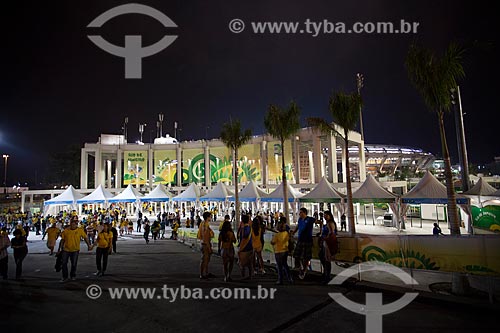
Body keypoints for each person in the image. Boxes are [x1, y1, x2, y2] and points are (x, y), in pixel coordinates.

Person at [57, 217, 92, 282]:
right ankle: (65, 277)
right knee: (64, 263)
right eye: (71, 224)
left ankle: (72, 275)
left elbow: (85, 238)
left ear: (76, 225)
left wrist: (89, 245)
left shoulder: (80, 230)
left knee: (74, 264)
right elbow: (62, 240)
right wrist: (59, 249)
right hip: (66, 250)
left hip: (75, 250)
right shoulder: (66, 231)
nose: (73, 226)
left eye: (74, 224)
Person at [292, 207, 321, 280]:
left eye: (301, 212)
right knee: (297, 255)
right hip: (300, 239)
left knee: (306, 257)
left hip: (307, 240)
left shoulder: (310, 219)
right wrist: (294, 232)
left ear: (304, 213)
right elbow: (298, 226)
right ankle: (301, 268)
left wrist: (321, 231)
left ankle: (304, 270)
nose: (299, 214)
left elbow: (319, 222)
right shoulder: (300, 220)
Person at [271, 220, 292, 285]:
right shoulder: (286, 233)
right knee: (285, 265)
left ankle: (280, 280)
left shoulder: (277, 235)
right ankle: (290, 278)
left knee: (279, 266)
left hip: (278, 251)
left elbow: (273, 242)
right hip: (285, 251)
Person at [319, 211, 338, 284]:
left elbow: (331, 233)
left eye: (326, 215)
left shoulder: (330, 223)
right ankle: (326, 273)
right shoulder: (327, 223)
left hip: (328, 243)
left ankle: (327, 276)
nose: (325, 216)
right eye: (324, 215)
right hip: (326, 242)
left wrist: (325, 238)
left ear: (330, 216)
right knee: (322, 256)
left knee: (326, 259)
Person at [197, 212, 215, 279]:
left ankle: (206, 273)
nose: (211, 217)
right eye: (210, 216)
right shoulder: (205, 225)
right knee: (204, 260)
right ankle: (202, 274)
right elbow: (205, 237)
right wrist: (209, 247)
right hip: (205, 244)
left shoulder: (203, 223)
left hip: (204, 243)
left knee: (206, 260)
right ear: (207, 217)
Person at [238, 214, 253, 279]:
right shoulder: (250, 227)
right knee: (249, 263)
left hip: (245, 247)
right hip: (250, 246)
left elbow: (244, 236)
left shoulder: (245, 228)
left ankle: (243, 275)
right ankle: (250, 275)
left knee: (242, 263)